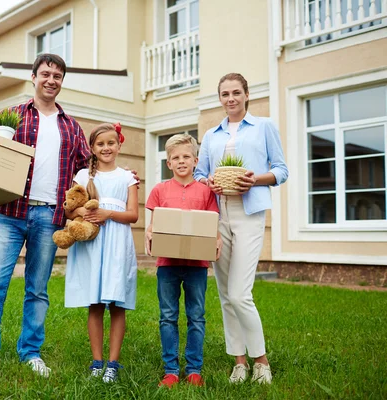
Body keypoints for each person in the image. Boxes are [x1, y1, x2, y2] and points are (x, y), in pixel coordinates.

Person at [0, 54, 92, 381]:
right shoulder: (13, 116)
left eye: (57, 75)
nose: (51, 80)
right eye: (45, 74)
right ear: (34, 77)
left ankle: (31, 352)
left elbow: (88, 164)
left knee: (38, 290)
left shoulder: (71, 127)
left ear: (62, 81)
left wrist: (108, 183)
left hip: (49, 217)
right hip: (10, 215)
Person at [194, 73, 288, 384]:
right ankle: (239, 362)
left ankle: (260, 360)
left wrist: (255, 179)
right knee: (224, 293)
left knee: (239, 292)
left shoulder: (264, 127)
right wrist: (205, 181)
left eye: (236, 92)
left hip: (249, 211)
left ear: (247, 94)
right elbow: (199, 173)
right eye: (225, 94)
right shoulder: (211, 135)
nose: (231, 98)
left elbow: (281, 170)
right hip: (218, 214)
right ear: (219, 98)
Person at [144, 133, 221, 388]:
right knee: (168, 316)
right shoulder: (159, 190)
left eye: (186, 156)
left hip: (197, 266)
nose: (181, 161)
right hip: (167, 264)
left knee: (196, 316)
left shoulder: (206, 192)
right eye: (175, 157)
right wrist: (149, 232)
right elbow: (154, 225)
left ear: (196, 160)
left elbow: (212, 226)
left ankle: (194, 369)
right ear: (168, 163)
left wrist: (217, 240)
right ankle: (171, 370)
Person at [64, 122, 139, 383]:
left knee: (117, 304)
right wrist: (83, 212)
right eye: (100, 144)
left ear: (119, 145)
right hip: (92, 246)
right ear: (92, 148)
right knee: (95, 303)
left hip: (117, 243)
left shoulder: (127, 177)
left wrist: (108, 213)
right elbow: (70, 209)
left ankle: (113, 364)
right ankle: (97, 362)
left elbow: (133, 215)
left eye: (111, 143)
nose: (106, 148)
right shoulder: (83, 176)